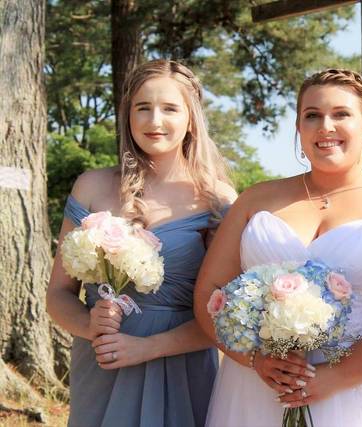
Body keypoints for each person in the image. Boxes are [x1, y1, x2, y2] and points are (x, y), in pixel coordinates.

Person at [193, 69, 362, 427]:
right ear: (299, 128)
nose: (325, 126)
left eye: (341, 114)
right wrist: (254, 360)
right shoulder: (256, 198)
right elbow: (209, 293)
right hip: (258, 392)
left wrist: (331, 378)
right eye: (312, 115)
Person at [46, 59, 236, 427]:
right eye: (142, 108)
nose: (154, 121)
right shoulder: (91, 186)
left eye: (169, 108)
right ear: (127, 115)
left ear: (191, 118)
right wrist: (91, 326)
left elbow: (222, 316)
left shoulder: (218, 199)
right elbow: (57, 296)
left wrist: (148, 348)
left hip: (181, 366)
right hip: (104, 362)